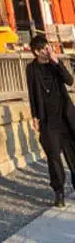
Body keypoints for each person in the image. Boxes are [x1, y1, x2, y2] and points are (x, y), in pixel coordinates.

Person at [26, 33, 75, 206]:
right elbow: (31, 93)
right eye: (45, 49)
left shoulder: (55, 65)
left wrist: (57, 61)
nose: (48, 50)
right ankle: (59, 192)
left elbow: (70, 81)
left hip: (66, 118)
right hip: (47, 121)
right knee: (53, 158)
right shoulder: (31, 69)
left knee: (73, 155)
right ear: (37, 52)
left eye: (48, 47)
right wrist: (34, 116)